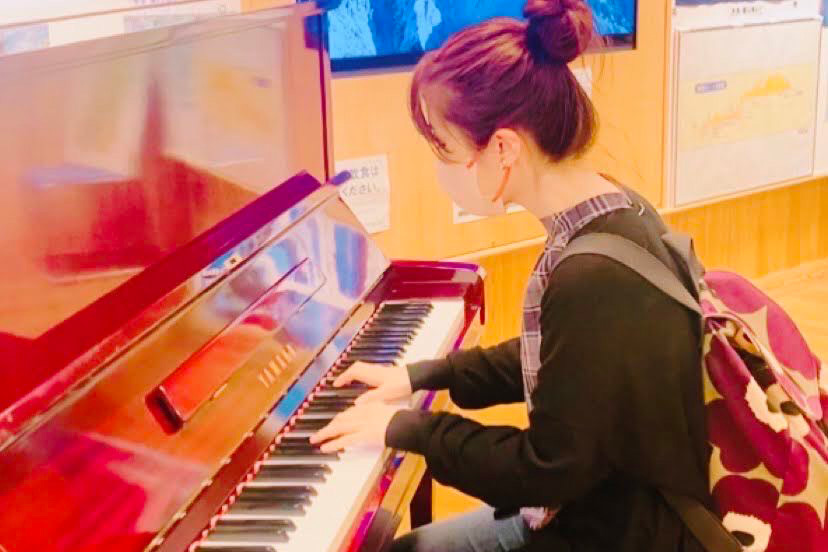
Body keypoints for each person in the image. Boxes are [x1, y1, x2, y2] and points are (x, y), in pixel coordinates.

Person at [311, 1, 711, 550]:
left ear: (502, 149)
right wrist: (424, 375)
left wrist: (410, 429)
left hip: (617, 533)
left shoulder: (591, 276)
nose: (442, 170)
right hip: (605, 503)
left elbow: (545, 470)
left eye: (445, 149)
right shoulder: (614, 209)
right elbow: (560, 356)